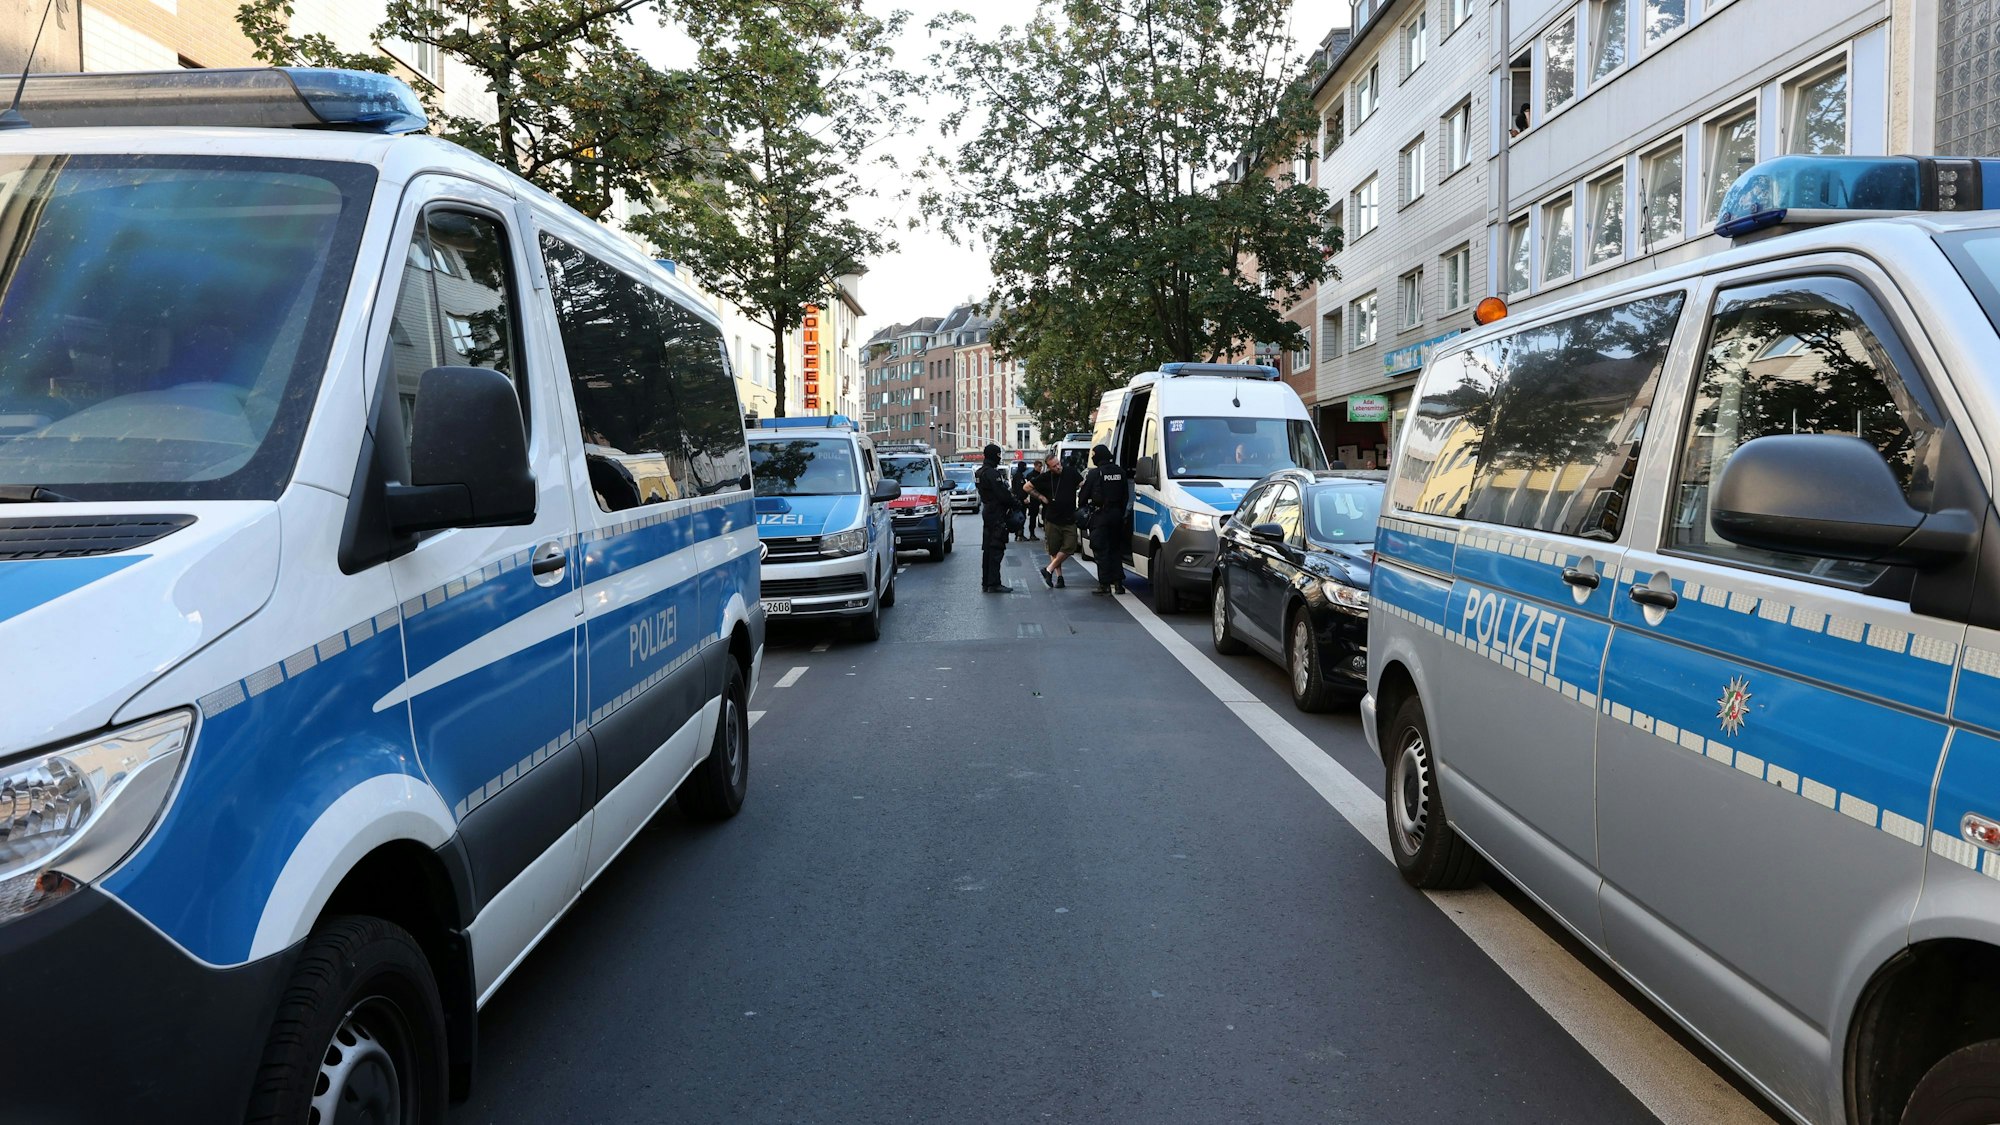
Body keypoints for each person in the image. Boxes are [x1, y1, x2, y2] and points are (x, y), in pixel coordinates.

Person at [1078, 444, 1128, 596]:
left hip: (1100, 517)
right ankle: (1119, 584)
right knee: (1115, 549)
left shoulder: (1095, 473)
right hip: (1117, 516)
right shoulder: (1120, 472)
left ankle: (1104, 584)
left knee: (1101, 550)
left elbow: (1083, 497)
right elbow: (1125, 496)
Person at [1029, 451, 1083, 588]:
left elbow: (1083, 483)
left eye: (1058, 464)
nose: (1058, 467)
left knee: (1070, 546)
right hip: (1052, 519)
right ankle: (1059, 578)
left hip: (1069, 518)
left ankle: (1048, 569)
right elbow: (1027, 487)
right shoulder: (1046, 477)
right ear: (1049, 467)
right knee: (1054, 550)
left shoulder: (1070, 472)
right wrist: (1041, 497)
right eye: (1054, 466)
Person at [975, 444, 1020, 593]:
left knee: (988, 549)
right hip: (996, 514)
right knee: (996, 548)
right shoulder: (992, 474)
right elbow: (1003, 495)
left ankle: (986, 582)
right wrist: (1015, 503)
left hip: (988, 511)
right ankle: (994, 583)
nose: (1000, 457)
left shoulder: (980, 472)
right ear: (994, 455)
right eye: (998, 454)